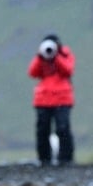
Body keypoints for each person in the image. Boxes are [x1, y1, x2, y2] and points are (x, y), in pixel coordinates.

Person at [27, 34, 75, 166]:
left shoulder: (65, 55)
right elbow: (32, 72)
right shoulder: (41, 57)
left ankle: (66, 159)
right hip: (43, 99)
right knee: (42, 130)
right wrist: (40, 56)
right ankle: (44, 159)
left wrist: (57, 56)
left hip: (62, 98)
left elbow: (68, 71)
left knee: (63, 128)